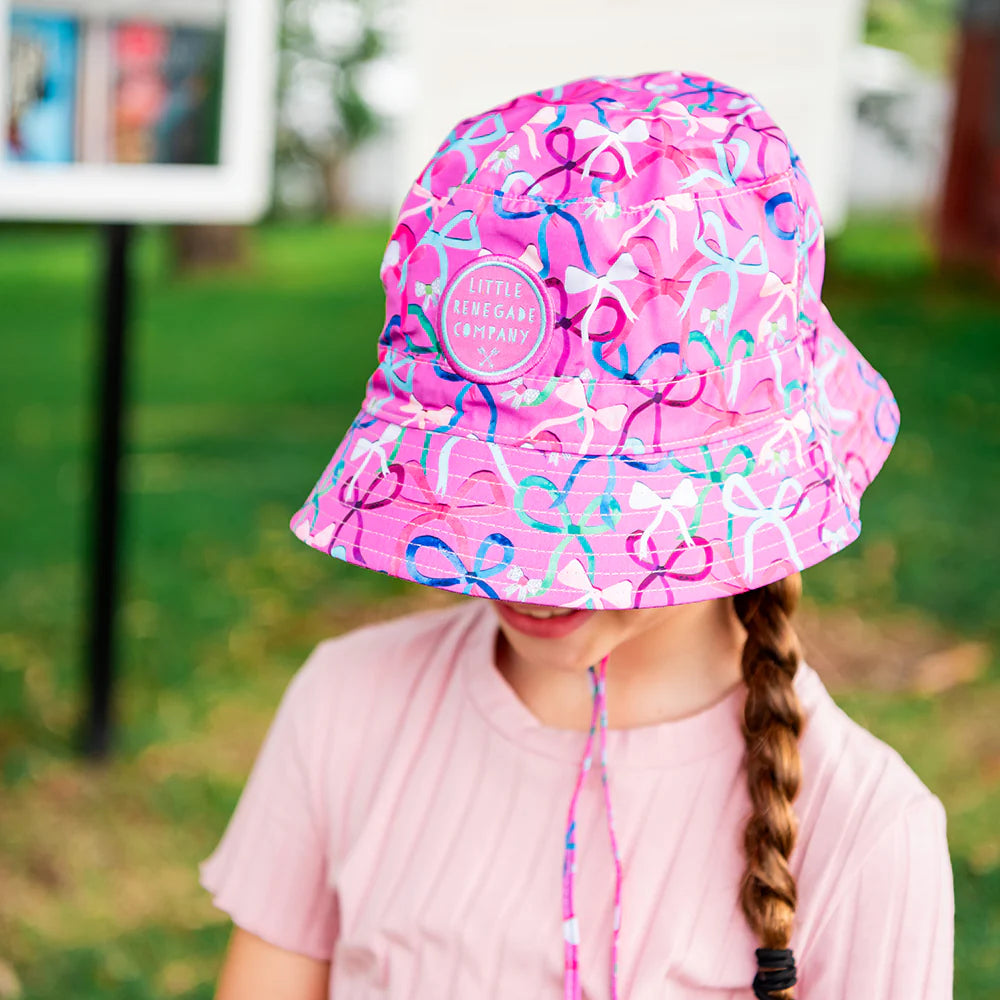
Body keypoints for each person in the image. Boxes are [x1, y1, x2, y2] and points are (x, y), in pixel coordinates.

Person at [199, 70, 954, 999]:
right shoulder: (345, 713)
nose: (530, 571)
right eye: (489, 504)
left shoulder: (865, 831)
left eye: (582, 526)